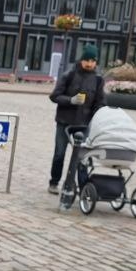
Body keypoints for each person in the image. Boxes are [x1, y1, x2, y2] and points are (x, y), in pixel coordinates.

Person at [48, 43, 105, 193]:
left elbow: (100, 103)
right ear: (81, 60)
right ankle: (54, 182)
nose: (89, 64)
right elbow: (54, 96)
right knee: (59, 154)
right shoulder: (69, 75)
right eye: (87, 60)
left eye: (93, 61)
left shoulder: (98, 80)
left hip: (84, 125)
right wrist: (71, 100)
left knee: (82, 157)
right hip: (64, 122)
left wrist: (98, 116)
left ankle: (83, 187)